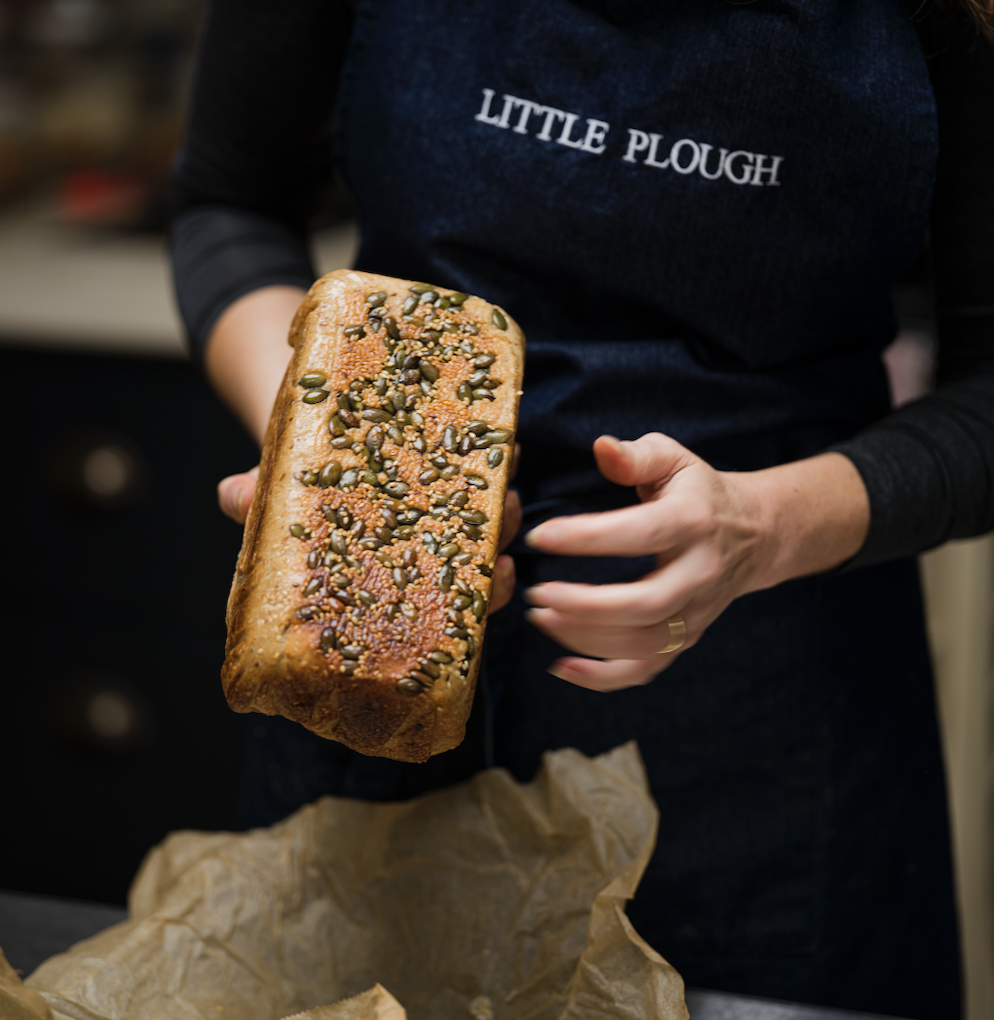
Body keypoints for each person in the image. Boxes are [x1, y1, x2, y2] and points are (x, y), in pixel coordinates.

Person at [170, 2, 994, 1017]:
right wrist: (332, 447)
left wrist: (769, 525)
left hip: (768, 736)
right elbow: (228, 201)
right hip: (362, 673)